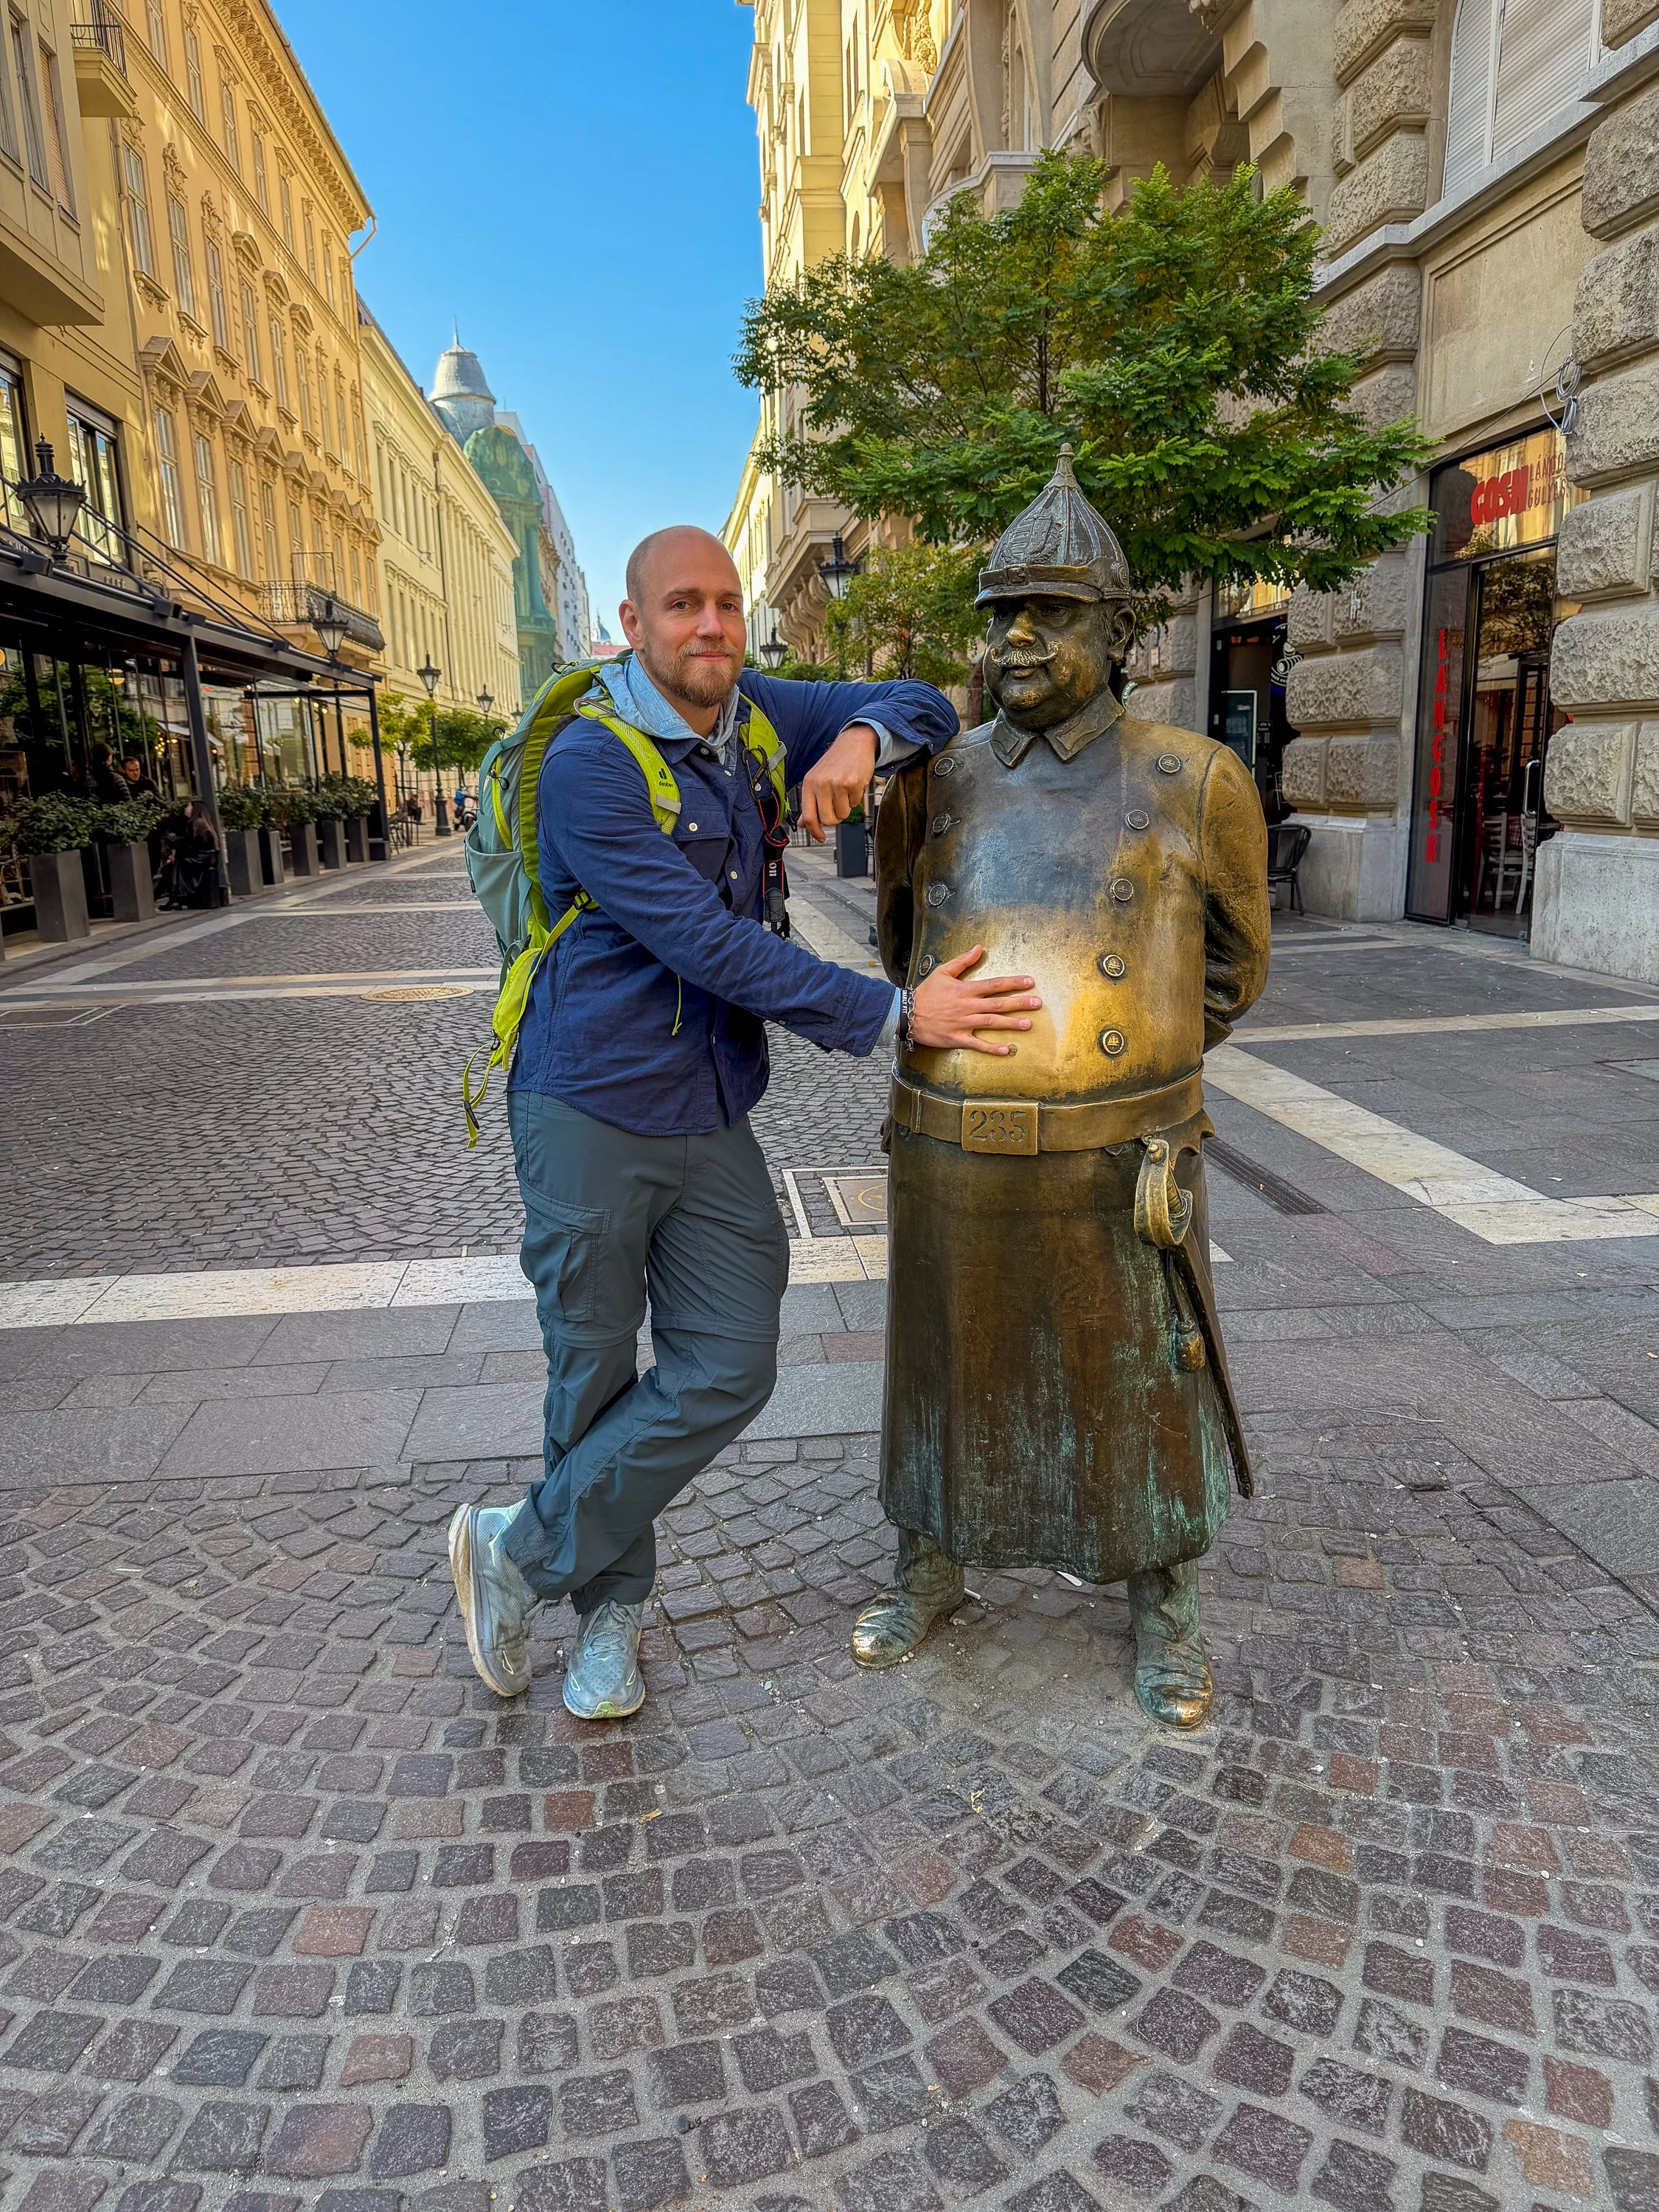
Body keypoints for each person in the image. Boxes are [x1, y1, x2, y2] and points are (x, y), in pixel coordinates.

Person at [448, 525, 1040, 1721]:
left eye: (724, 602)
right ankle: (608, 1618)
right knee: (593, 1370)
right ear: (633, 625)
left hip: (710, 1107)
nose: (711, 625)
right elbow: (703, 942)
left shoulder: (753, 707)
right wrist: (894, 1014)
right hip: (588, 1107)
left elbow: (925, 699)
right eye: (682, 606)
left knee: (729, 1364)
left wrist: (861, 738)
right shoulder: (588, 761)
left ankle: (515, 1549)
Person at [858, 451, 1270, 1728]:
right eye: (1000, 616)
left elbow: (1233, 968)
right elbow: (901, 943)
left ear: (1119, 632)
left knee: (1145, 1376)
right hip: (951, 1143)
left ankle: (1165, 1606)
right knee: (940, 1367)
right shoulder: (933, 780)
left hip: (1119, 1156)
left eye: (1050, 612)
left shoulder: (1193, 779)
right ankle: (929, 1564)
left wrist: (1131, 1065)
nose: (1017, 639)